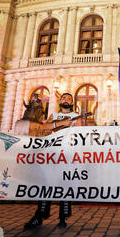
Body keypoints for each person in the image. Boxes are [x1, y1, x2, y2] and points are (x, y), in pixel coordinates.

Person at [23, 93, 83, 229]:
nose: (66, 100)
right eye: (63, 98)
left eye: (68, 98)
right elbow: (45, 127)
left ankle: (63, 217)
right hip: (53, 154)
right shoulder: (54, 116)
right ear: (60, 101)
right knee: (46, 184)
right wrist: (61, 123)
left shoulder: (76, 116)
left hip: (67, 154)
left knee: (65, 184)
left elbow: (79, 133)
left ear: (72, 102)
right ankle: (39, 216)